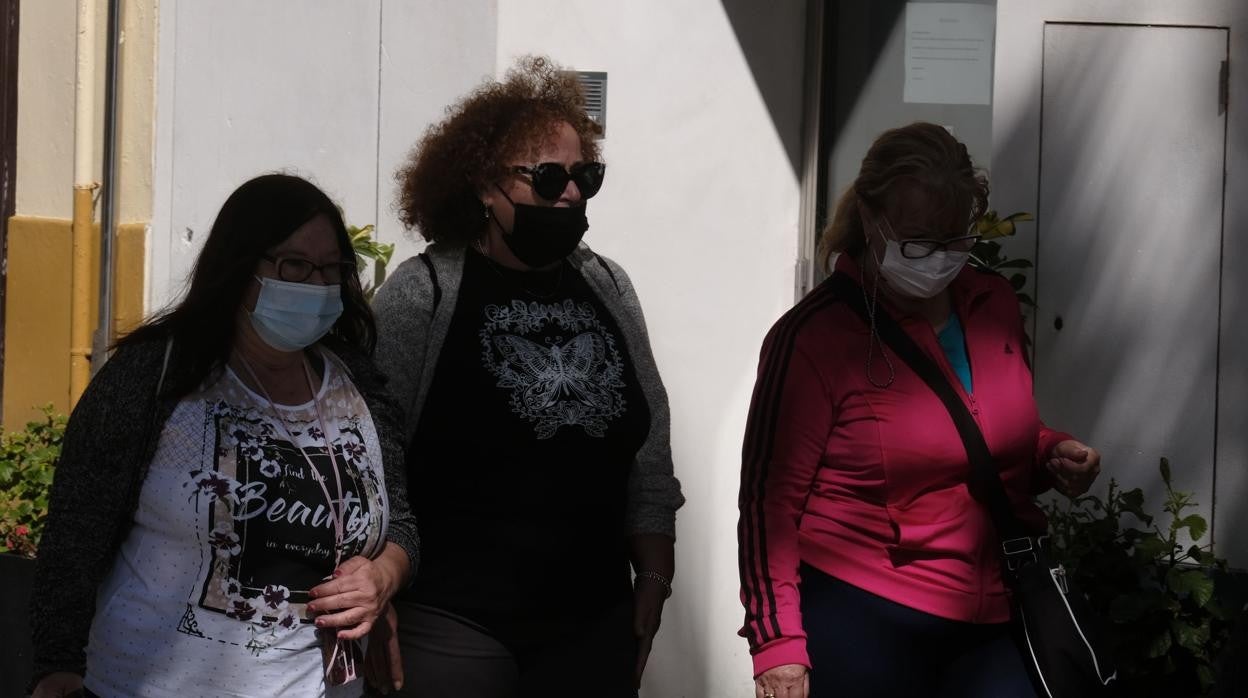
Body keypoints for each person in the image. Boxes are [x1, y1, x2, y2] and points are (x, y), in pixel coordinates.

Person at [736, 122, 1102, 698]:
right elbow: (767, 505)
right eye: (917, 241)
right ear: (871, 220)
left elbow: (992, 432)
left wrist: (1050, 453)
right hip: (864, 617)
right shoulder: (813, 336)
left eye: (954, 240)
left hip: (995, 617)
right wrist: (777, 645)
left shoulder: (993, 305)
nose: (936, 258)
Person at [30, 174, 419, 698]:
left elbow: (403, 524)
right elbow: (74, 535)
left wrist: (384, 577)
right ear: (239, 269)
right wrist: (55, 666)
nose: (317, 284)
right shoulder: (155, 375)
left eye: (331, 269)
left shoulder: (356, 381)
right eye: (294, 265)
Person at [369, 56, 684, 698]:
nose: (568, 194)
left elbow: (647, 438)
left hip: (591, 624)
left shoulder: (609, 286)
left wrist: (653, 576)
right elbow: (376, 452)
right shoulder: (423, 294)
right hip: (453, 623)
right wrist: (383, 584)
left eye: (583, 177)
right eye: (546, 178)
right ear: (485, 186)